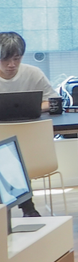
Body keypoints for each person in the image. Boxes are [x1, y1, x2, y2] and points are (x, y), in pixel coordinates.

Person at [0, 32, 52, 217]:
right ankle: (28, 208)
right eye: (5, 59)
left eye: (17, 58)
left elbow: (53, 101)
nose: (11, 64)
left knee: (11, 156)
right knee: (8, 156)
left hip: (29, 145)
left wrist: (34, 107)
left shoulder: (33, 73)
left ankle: (11, 210)